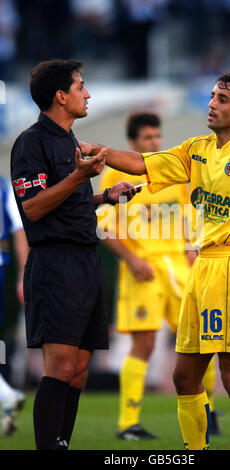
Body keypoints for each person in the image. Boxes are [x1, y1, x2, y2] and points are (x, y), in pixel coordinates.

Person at [93, 72, 230, 450]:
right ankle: (195, 450)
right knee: (184, 376)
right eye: (212, 95)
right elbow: (141, 162)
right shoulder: (195, 148)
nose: (212, 103)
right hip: (200, 267)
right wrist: (100, 152)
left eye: (222, 98)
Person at [10, 59, 140, 450]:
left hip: (86, 261)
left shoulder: (70, 140)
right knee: (61, 366)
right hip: (55, 264)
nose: (88, 94)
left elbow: (69, 202)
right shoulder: (31, 143)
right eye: (81, 86)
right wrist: (80, 177)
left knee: (80, 371)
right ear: (60, 96)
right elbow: (32, 208)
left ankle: (61, 443)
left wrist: (105, 196)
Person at [98, 112, 221, 439]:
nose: (154, 142)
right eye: (147, 139)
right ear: (133, 143)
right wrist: (131, 259)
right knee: (144, 342)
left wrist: (194, 256)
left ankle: (209, 412)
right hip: (143, 269)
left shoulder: (172, 171)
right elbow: (105, 227)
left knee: (200, 339)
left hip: (177, 269)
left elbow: (190, 218)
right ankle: (128, 423)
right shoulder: (113, 176)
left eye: (156, 136)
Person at [0, 175, 27, 436]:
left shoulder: (5, 187)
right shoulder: (3, 186)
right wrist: (22, 274)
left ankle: (7, 394)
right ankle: (6, 393)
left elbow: (19, 230)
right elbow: (19, 230)